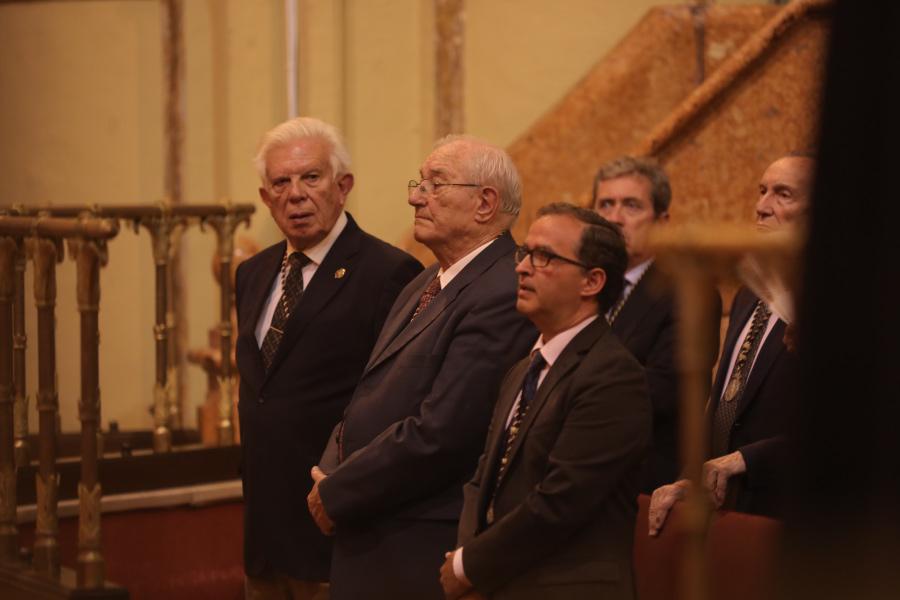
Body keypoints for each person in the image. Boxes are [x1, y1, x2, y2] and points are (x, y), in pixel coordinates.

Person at [305, 135, 537, 600]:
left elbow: (445, 430)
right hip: (370, 526)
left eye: (435, 184)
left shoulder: (501, 290)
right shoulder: (424, 280)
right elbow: (369, 392)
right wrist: (330, 470)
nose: (415, 196)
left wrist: (340, 490)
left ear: (485, 203)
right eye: (420, 183)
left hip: (418, 540)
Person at [235, 116, 423, 599]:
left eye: (311, 177)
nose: (296, 194)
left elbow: (394, 403)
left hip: (338, 532)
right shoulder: (253, 274)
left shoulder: (389, 272)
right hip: (264, 533)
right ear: (265, 198)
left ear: (343, 187)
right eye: (281, 181)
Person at [441, 203, 651, 600]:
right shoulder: (523, 368)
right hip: (498, 580)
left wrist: (469, 565)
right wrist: (468, 559)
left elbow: (560, 503)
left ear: (591, 281)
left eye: (544, 258)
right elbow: (483, 477)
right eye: (525, 253)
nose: (521, 268)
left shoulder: (613, 376)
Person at [648, 154, 815, 535]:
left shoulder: (840, 302)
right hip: (730, 513)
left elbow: (845, 422)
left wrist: (748, 460)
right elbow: (727, 402)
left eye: (782, 195)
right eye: (761, 191)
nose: (761, 207)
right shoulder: (747, 294)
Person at [593, 156, 721, 492]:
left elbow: (661, 393)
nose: (615, 218)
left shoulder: (687, 292)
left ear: (662, 222)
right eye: (605, 204)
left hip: (640, 479)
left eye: (631, 206)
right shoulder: (581, 285)